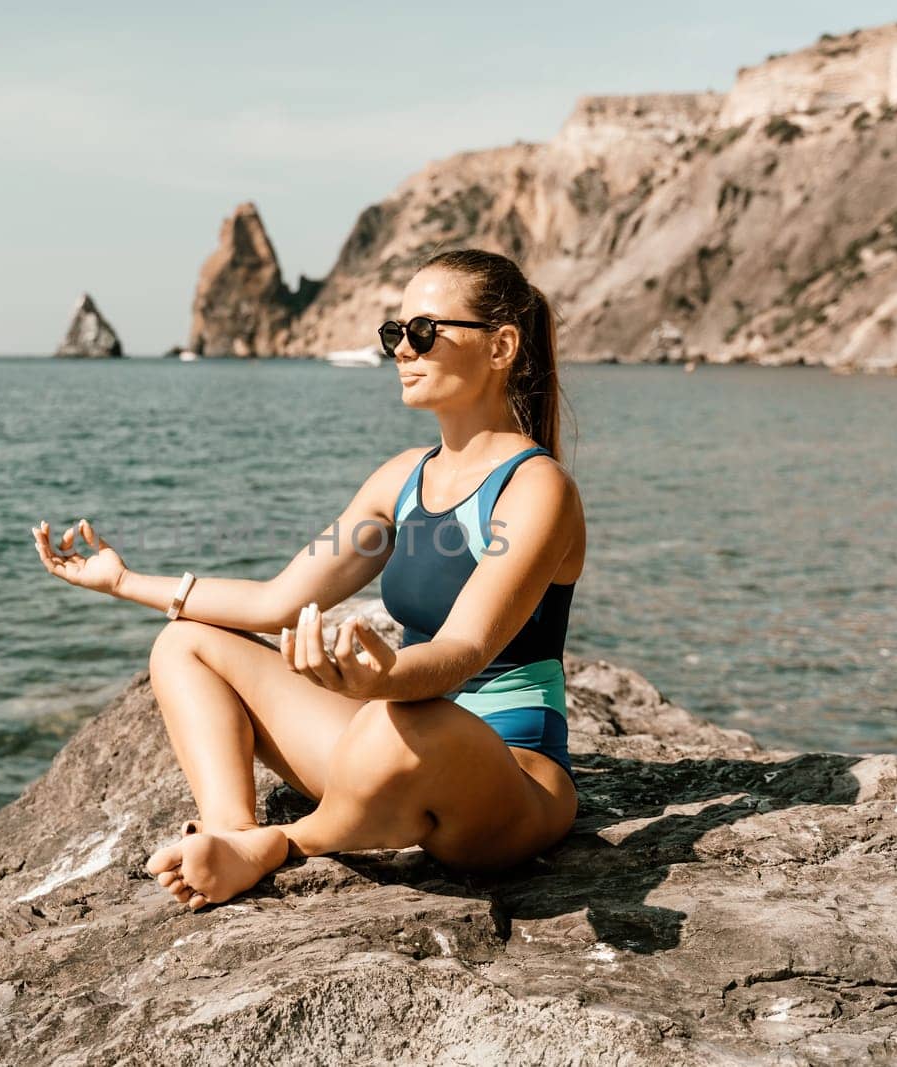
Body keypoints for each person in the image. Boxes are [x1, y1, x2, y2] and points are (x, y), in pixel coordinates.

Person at [31, 248, 585, 911]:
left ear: (500, 347)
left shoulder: (537, 488)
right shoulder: (401, 479)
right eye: (394, 334)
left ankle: (282, 843)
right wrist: (124, 580)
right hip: (390, 749)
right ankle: (231, 829)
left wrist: (379, 682)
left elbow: (465, 649)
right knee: (184, 645)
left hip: (510, 780)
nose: (402, 351)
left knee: (398, 722)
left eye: (423, 331)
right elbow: (278, 600)